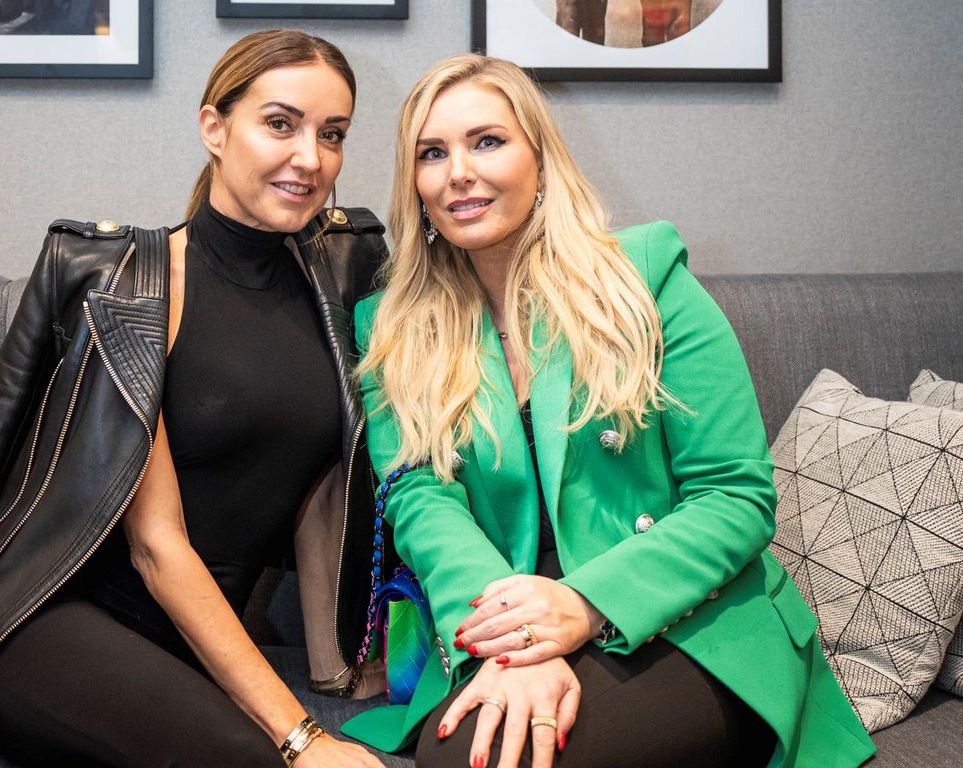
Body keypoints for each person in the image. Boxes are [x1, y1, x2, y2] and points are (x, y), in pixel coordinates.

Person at [0, 30, 386, 768]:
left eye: (332, 134)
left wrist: (338, 674)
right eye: (280, 123)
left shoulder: (334, 285)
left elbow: (321, 490)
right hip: (46, 626)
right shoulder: (134, 291)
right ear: (214, 128)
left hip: (184, 651)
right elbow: (155, 547)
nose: (310, 158)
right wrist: (302, 736)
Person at [341, 54, 877, 768]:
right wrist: (514, 639)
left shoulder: (645, 277)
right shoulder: (393, 326)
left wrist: (584, 605)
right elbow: (419, 501)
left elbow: (736, 495)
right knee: (463, 757)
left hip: (685, 616)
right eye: (431, 153)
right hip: (498, 615)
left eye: (487, 141)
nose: (458, 172)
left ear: (541, 160)